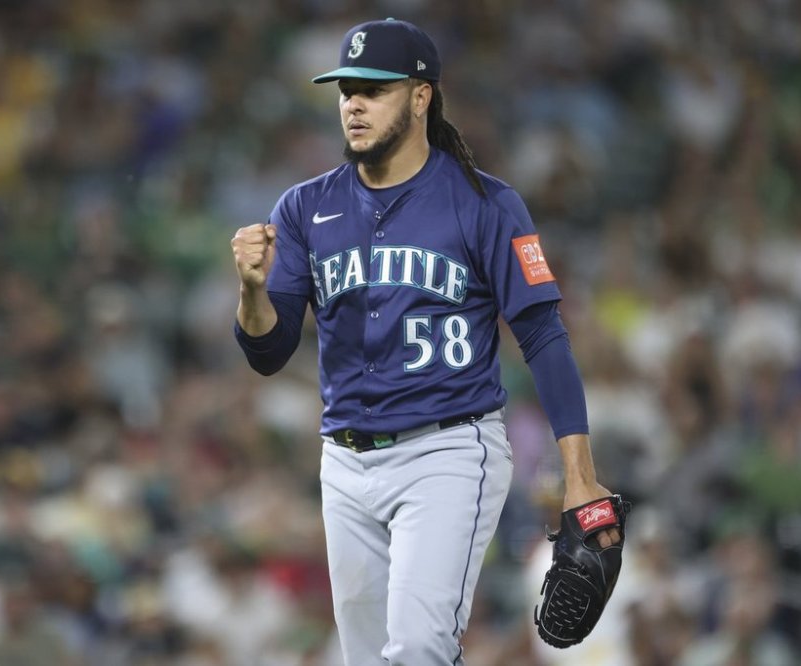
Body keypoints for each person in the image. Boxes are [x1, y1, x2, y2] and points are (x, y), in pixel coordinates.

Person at [231, 17, 620, 666]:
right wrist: (249, 291)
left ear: (420, 96)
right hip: (346, 459)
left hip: (447, 449)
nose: (353, 102)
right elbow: (268, 355)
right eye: (345, 88)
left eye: (373, 88)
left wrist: (580, 476)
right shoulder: (304, 208)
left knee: (416, 649)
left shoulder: (484, 203)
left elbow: (544, 336)